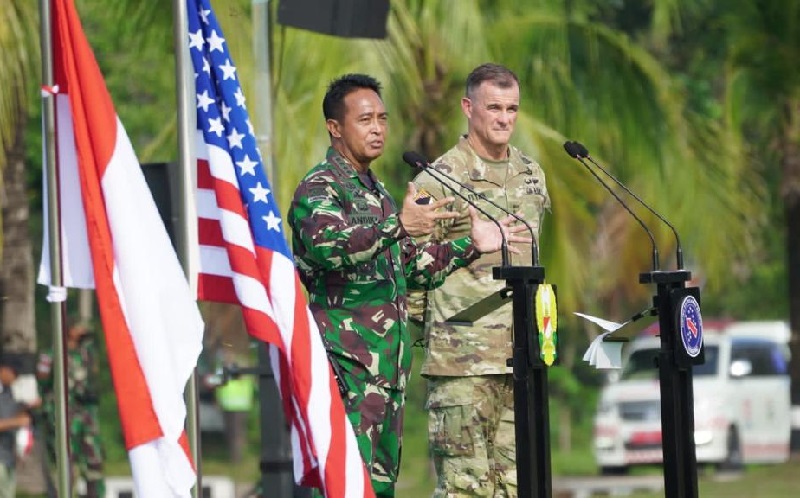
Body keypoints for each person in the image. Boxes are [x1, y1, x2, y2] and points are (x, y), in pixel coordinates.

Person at [288, 73, 529, 497]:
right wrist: (399, 224)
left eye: (382, 118)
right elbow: (330, 248)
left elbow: (410, 266)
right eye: (365, 119)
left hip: (387, 377)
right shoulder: (320, 187)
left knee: (378, 488)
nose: (378, 128)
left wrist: (470, 247)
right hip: (346, 371)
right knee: (341, 486)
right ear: (335, 127)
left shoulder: (376, 191)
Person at [412, 63, 551, 497]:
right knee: (466, 488)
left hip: (523, 356)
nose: (504, 118)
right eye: (494, 107)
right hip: (463, 364)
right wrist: (437, 332)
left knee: (516, 486)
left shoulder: (532, 174)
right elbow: (412, 266)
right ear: (468, 108)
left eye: (512, 109)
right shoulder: (439, 179)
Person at [37, 320, 105, 498]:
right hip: (63, 412)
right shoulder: (52, 353)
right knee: (66, 460)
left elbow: (93, 377)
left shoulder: (86, 353)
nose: (82, 331)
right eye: (78, 328)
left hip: (86, 412)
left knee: (94, 459)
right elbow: (43, 380)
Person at [0, 356, 32, 498]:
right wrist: (16, 422)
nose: (15, 377)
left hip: (8, 457)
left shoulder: (11, 395)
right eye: (13, 372)